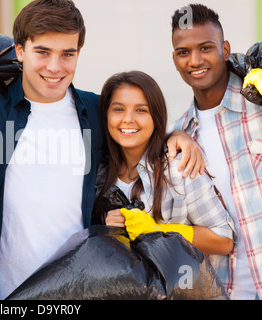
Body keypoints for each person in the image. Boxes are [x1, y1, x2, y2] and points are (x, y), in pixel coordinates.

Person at [0, 0, 205, 300]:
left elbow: (136, 132)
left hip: (80, 289)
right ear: (20, 51)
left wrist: (177, 137)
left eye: (67, 54)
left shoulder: (95, 110)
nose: (55, 67)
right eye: (43, 52)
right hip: (6, 289)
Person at [170, 4, 262, 299]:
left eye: (206, 48)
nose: (195, 60)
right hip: (229, 291)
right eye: (184, 52)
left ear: (225, 50)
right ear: (175, 59)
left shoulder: (258, 101)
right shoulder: (180, 135)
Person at [93, 70, 234, 261]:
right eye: (118, 109)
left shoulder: (179, 169)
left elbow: (223, 239)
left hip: (174, 289)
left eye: (141, 110)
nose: (127, 119)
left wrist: (158, 230)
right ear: (106, 115)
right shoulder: (97, 174)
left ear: (156, 117)